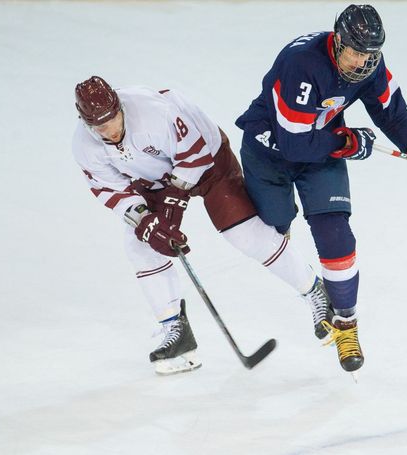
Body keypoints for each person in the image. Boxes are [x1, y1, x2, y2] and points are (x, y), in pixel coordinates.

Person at [235, 4, 407, 375]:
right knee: (274, 228)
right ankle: (311, 290)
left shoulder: (369, 64)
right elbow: (293, 145)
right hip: (269, 151)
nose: (361, 62)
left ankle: (346, 325)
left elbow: (391, 114)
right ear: (337, 41)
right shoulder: (301, 63)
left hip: (321, 152)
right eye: (354, 52)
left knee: (336, 236)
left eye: (369, 55)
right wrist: (349, 142)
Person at [71, 76, 335, 375]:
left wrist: (174, 202)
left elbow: (194, 154)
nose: (111, 129)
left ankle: (314, 290)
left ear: (119, 105)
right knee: (141, 245)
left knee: (243, 233)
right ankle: (175, 330)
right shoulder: (84, 146)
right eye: (100, 126)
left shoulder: (153, 112)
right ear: (85, 121)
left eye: (113, 118)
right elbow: (112, 190)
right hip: (152, 181)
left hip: (208, 162)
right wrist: (145, 221)